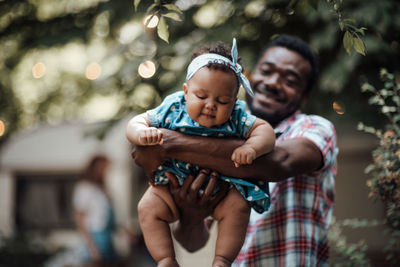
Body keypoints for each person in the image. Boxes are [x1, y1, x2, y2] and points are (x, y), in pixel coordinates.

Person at [132, 34, 338, 266]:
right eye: (266, 70)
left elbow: (280, 162)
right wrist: (192, 214)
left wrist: (168, 144)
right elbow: (193, 243)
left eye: (290, 80)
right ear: (249, 75)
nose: (272, 82)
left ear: (305, 95)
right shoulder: (210, 123)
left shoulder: (315, 128)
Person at [126, 39, 276, 267]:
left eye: (222, 100)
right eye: (201, 96)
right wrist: (141, 132)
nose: (210, 105)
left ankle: (222, 260)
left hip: (224, 190)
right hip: (171, 184)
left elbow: (265, 130)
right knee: (147, 207)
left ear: (234, 101)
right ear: (186, 92)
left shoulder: (237, 115)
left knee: (239, 207)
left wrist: (251, 147)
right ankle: (166, 259)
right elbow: (136, 122)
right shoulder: (172, 107)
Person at [73, 155, 120, 267]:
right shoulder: (84, 188)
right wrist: (91, 247)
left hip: (106, 237)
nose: (105, 171)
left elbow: (110, 216)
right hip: (95, 237)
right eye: (103, 167)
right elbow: (80, 218)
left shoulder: (102, 188)